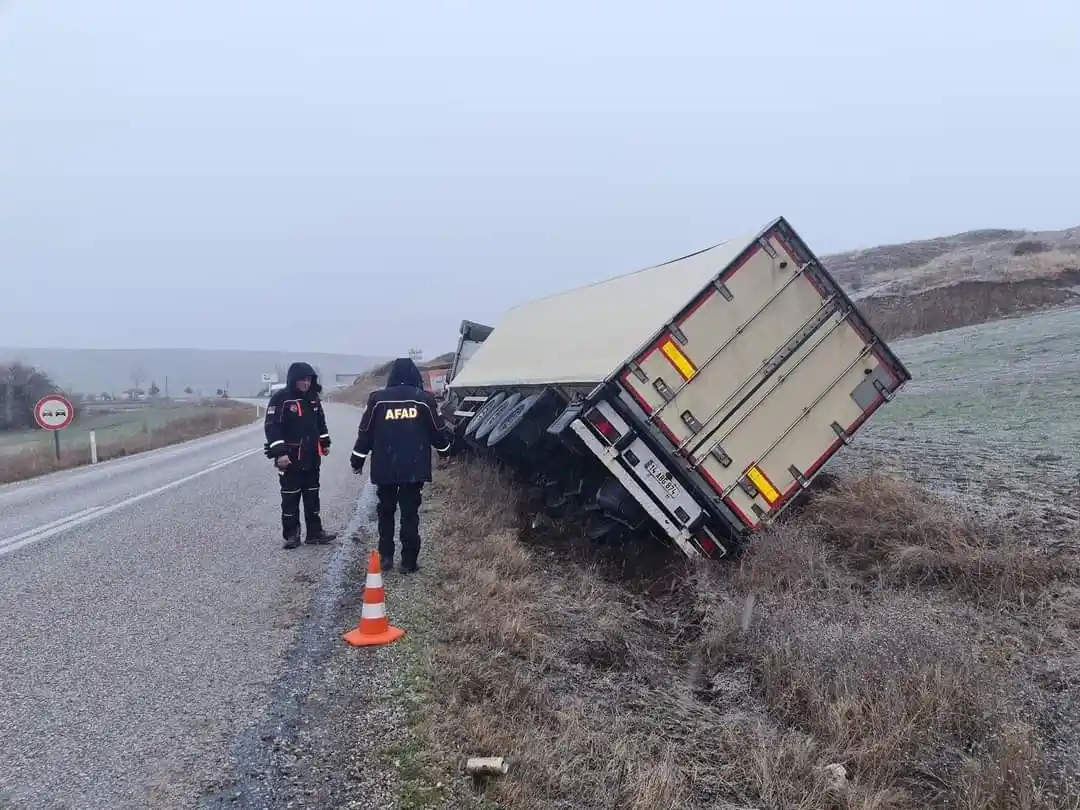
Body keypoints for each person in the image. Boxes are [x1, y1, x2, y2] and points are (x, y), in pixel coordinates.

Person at [350, 357, 452, 572]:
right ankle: (408, 562)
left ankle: (386, 557)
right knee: (409, 513)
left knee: (385, 511)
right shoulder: (423, 399)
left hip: (385, 466)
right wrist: (445, 453)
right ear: (415, 375)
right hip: (413, 468)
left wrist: (357, 460)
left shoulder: (377, 399)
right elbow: (437, 430)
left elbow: (365, 433)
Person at [263, 362, 339, 549]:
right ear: (293, 380)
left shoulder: (313, 399)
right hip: (290, 459)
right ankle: (291, 535)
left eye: (309, 380)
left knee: (312, 497)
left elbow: (320, 424)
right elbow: (272, 427)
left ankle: (315, 533)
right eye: (302, 380)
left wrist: (325, 442)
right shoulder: (280, 399)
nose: (306, 383)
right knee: (290, 498)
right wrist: (279, 453)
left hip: (312, 457)